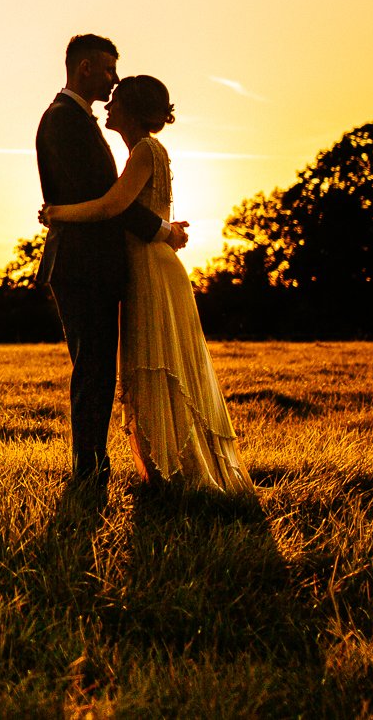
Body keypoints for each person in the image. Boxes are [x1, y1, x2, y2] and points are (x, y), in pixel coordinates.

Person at [42, 74, 254, 496]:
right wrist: (164, 228)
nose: (109, 105)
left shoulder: (144, 150)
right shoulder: (142, 151)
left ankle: (182, 473)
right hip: (143, 264)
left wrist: (56, 213)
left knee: (162, 364)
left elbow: (111, 206)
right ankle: (165, 469)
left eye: (116, 100)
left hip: (152, 268)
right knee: (149, 366)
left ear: (132, 110)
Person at [34, 35, 189, 485]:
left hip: (91, 265)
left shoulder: (74, 120)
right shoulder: (65, 121)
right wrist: (162, 231)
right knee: (94, 370)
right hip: (83, 266)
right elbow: (107, 202)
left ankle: (94, 466)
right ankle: (90, 471)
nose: (114, 80)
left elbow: (110, 201)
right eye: (107, 71)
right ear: (84, 68)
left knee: (98, 369)